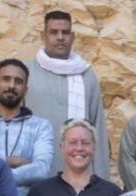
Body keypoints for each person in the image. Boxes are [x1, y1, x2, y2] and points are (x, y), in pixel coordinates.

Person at [23, 10, 110, 177]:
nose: (60, 37)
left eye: (65, 32)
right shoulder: (26, 73)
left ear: (73, 36)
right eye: (54, 32)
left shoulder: (86, 75)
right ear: (43, 36)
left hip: (80, 176)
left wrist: (100, 179)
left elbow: (96, 128)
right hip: (36, 176)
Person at [0, 58, 55, 196]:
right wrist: (25, 164)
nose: (11, 85)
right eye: (6, 79)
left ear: (26, 89)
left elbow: (42, 170)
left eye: (18, 81)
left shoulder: (41, 126)